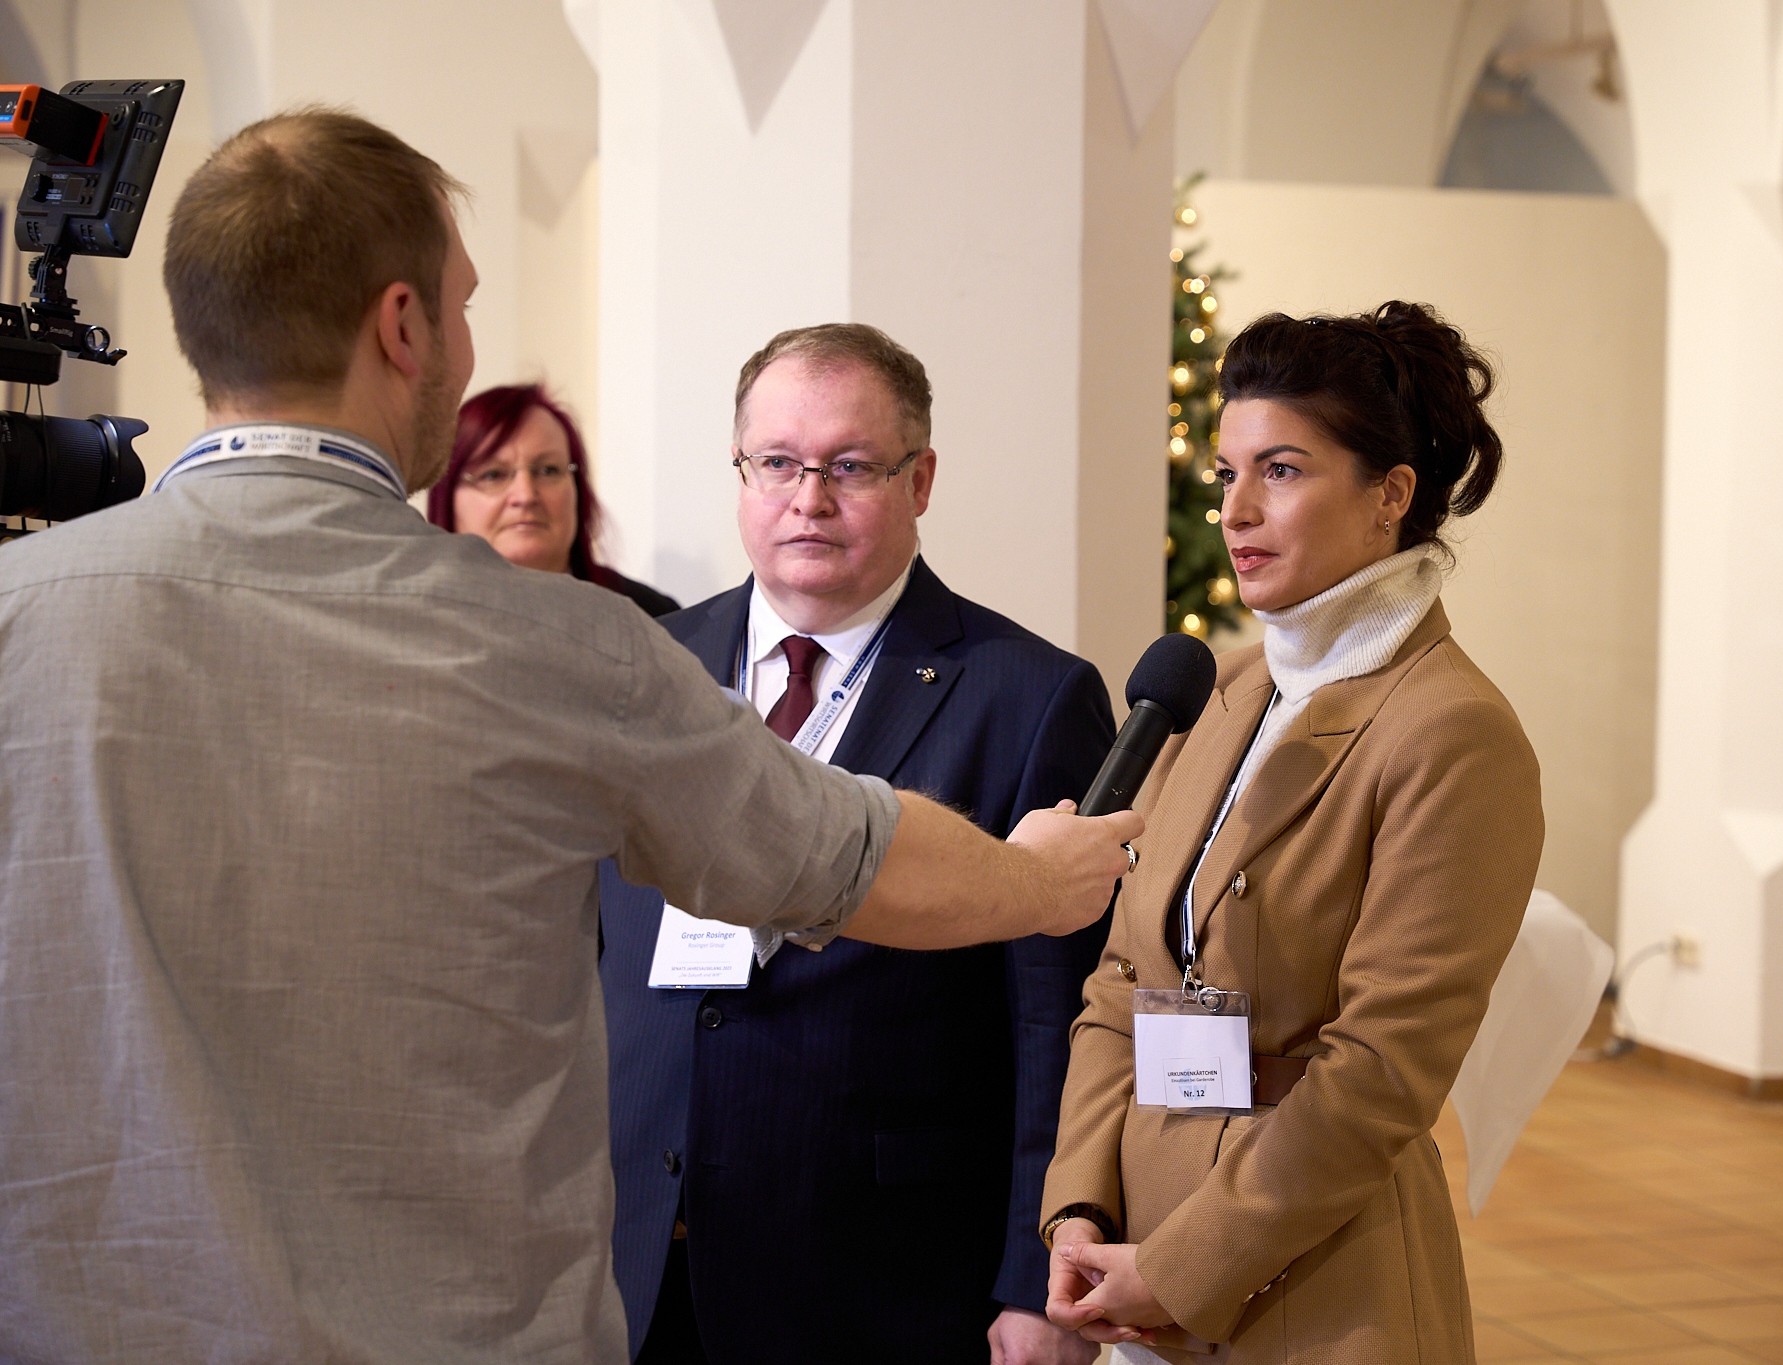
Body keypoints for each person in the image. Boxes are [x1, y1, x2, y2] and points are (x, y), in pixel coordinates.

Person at [0, 110, 1140, 1365]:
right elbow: (840, 858)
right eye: (463, 305)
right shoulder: (561, 647)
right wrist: (1036, 880)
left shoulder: (17, 616)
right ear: (401, 327)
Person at [1039, 307, 1545, 1363]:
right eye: (1227, 474)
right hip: (1134, 1244)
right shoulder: (1219, 690)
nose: (1236, 511)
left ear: (1390, 495)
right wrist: (1078, 1207)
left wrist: (1184, 1267)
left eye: (1280, 471)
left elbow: (1379, 1075)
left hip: (1313, 1276)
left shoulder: (1452, 730)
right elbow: (1120, 983)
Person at [603, 323, 1112, 1365]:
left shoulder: (1028, 696)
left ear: (919, 480)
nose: (808, 499)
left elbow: (1054, 1019)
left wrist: (1034, 1276)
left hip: (880, 1269)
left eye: (849, 467)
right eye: (776, 462)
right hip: (632, 1255)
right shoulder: (645, 663)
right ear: (740, 470)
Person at [427, 382, 680, 617]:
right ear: (446, 498)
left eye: (548, 470)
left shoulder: (650, 616)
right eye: (493, 475)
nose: (525, 495)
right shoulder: (419, 620)